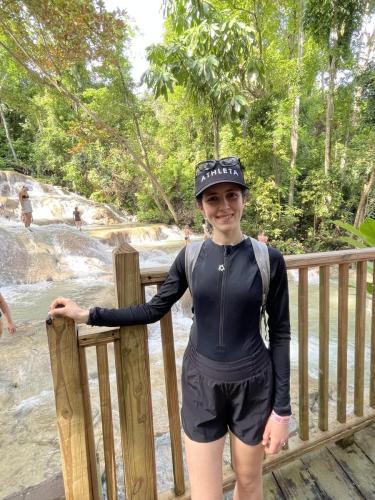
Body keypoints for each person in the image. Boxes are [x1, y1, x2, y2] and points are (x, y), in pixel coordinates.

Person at [49, 156, 291, 500]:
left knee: (250, 482)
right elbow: (152, 309)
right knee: (205, 494)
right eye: (213, 199)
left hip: (254, 385)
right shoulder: (190, 258)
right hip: (200, 385)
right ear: (201, 207)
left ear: (244, 198)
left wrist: (282, 410)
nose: (224, 206)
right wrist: (88, 314)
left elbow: (280, 334)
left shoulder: (269, 260)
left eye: (232, 195)